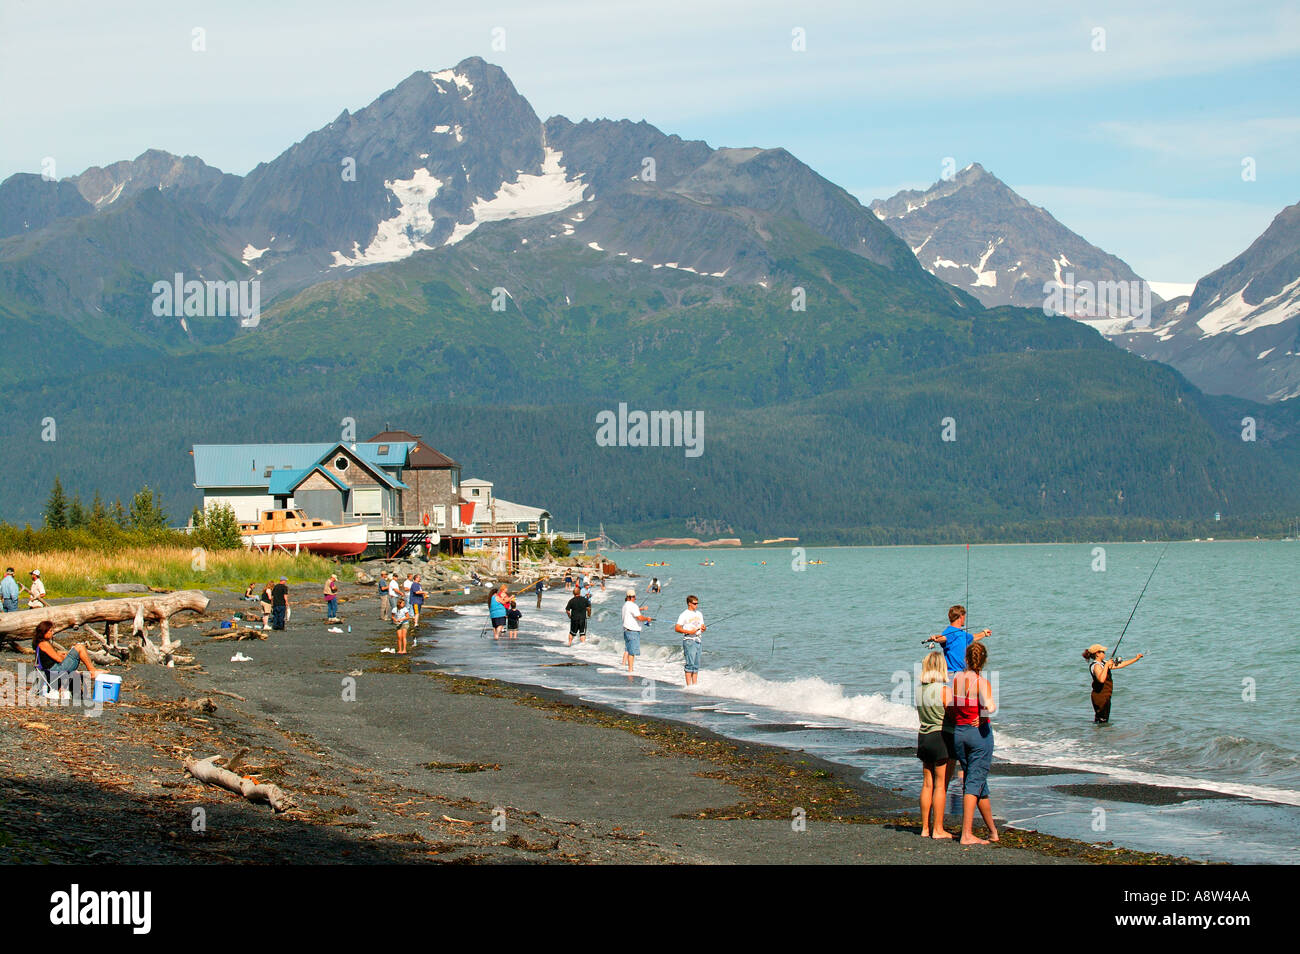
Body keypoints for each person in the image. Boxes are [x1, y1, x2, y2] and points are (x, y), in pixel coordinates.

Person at [951, 642, 997, 845]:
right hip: (978, 735)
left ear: (966, 659)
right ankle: (967, 834)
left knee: (977, 782)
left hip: (959, 734)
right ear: (984, 660)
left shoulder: (957, 679)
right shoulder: (981, 682)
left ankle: (993, 831)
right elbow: (991, 706)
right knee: (973, 783)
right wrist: (983, 714)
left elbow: (953, 705)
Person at [916, 651, 956, 839]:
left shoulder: (919, 690)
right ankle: (938, 829)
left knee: (927, 784)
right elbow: (953, 714)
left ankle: (925, 828)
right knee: (940, 786)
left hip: (924, 737)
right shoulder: (943, 690)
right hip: (940, 737)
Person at [33, 620, 101, 700]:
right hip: (55, 670)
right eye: (50, 631)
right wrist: (65, 657)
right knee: (80, 647)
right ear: (44, 632)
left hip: (50, 670)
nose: (52, 633)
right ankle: (92, 670)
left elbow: (52, 656)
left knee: (76, 650)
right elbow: (59, 659)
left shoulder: (40, 643)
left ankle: (91, 671)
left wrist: (61, 654)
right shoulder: (44, 644)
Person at [1083, 644, 1144, 724]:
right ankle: (1102, 735)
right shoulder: (1096, 666)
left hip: (1105, 695)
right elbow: (1101, 679)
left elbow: (1120, 665)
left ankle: (1100, 735)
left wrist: (1136, 659)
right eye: (1102, 652)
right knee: (1102, 720)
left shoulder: (1103, 663)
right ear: (1097, 654)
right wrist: (1107, 666)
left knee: (1102, 720)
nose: (1104, 653)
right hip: (1100, 697)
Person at [931, 604, 990, 675]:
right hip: (953, 673)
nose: (964, 619)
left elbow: (973, 637)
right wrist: (936, 638)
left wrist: (984, 633)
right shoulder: (949, 631)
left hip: (964, 672)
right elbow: (942, 638)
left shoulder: (962, 633)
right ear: (961, 617)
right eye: (964, 616)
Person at [674, 594, 706, 685]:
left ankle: (694, 685)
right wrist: (689, 631)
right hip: (689, 640)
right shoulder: (684, 614)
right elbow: (677, 628)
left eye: (697, 603)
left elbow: (702, 626)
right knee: (690, 664)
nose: (696, 605)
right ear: (689, 604)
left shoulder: (699, 614)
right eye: (694, 603)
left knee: (696, 665)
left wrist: (703, 628)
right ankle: (689, 685)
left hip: (698, 640)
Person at [621, 589, 653, 673]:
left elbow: (634, 613)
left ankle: (629, 668)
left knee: (628, 650)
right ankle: (630, 670)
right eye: (634, 597)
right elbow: (639, 617)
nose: (635, 598)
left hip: (626, 631)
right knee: (632, 652)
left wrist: (641, 609)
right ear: (632, 597)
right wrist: (647, 618)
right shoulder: (632, 605)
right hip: (632, 631)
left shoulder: (625, 605)